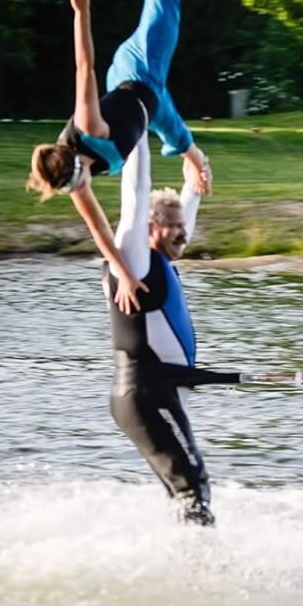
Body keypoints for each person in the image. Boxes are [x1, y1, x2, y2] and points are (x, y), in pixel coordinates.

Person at [27, 0, 209, 314]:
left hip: (137, 71)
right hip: (152, 104)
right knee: (179, 140)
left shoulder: (89, 126)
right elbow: (99, 234)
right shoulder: (76, 184)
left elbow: (84, 68)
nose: (84, 182)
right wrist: (125, 277)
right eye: (77, 182)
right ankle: (194, 160)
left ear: (74, 158)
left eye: (79, 174)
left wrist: (81, 14)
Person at [103, 129, 220, 526]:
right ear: (149, 228)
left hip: (158, 390)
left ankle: (180, 560)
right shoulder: (134, 258)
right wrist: (136, 128)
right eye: (173, 225)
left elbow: (189, 201)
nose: (183, 230)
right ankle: (202, 568)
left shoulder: (162, 260)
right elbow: (136, 192)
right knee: (192, 483)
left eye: (182, 223)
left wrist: (196, 171)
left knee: (181, 488)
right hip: (145, 392)